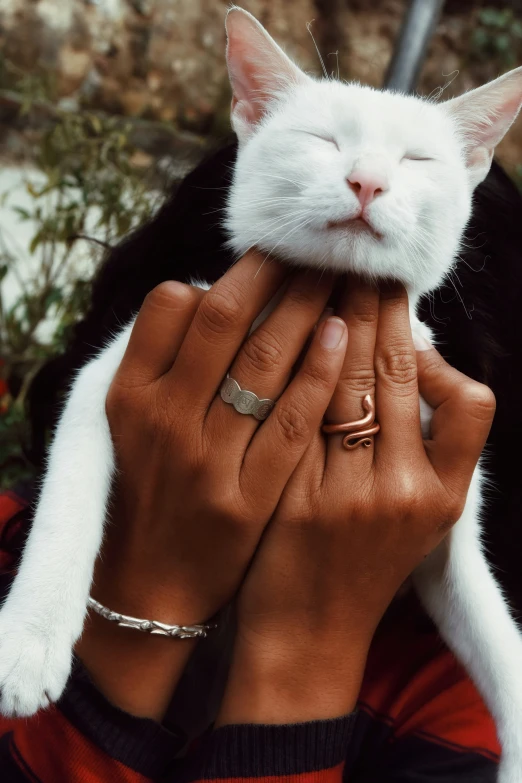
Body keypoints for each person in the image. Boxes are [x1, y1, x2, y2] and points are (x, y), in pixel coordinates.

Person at [1, 142, 521, 782]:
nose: (303, 408)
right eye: (254, 338)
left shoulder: (458, 709)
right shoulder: (13, 543)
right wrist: (150, 596)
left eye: (386, 363)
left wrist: (303, 651)